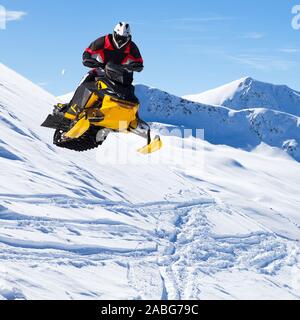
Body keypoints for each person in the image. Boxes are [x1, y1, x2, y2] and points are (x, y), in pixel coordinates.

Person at [55, 22, 144, 116]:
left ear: (128, 37)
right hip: (101, 70)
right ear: (114, 34)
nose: (120, 41)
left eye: (124, 38)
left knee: (130, 91)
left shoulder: (132, 46)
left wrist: (136, 66)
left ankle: (131, 118)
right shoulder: (104, 40)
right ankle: (71, 108)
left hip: (120, 76)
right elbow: (88, 51)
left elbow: (139, 61)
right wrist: (87, 59)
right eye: (119, 37)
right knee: (86, 79)